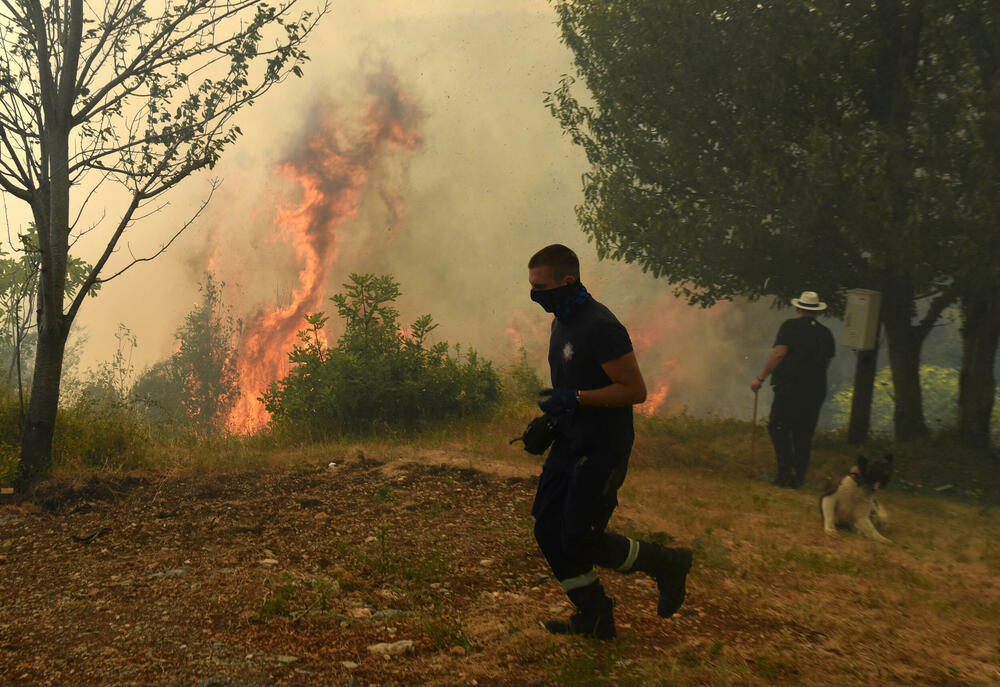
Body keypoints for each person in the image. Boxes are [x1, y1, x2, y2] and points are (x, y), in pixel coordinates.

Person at [527, 244, 692, 641]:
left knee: (580, 538)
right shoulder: (561, 323)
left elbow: (635, 390)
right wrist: (549, 421)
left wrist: (577, 398)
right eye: (531, 287)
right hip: (567, 443)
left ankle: (665, 562)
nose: (535, 296)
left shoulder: (601, 327)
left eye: (541, 287)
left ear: (568, 281)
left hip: (601, 449)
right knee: (548, 531)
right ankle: (595, 615)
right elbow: (571, 386)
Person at [750, 291, 836, 488]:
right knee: (804, 433)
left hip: (790, 387)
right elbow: (827, 363)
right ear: (817, 311)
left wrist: (761, 377)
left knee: (778, 427)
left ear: (799, 308)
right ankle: (798, 478)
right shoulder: (826, 333)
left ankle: (784, 473)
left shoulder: (790, 327)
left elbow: (779, 354)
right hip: (815, 390)